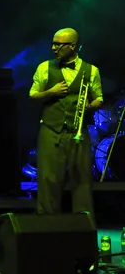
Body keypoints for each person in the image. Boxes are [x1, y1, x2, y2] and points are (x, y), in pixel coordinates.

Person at [29, 27, 103, 216]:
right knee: (48, 181)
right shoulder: (44, 67)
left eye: (58, 44)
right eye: (53, 43)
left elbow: (99, 98)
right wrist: (50, 93)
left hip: (77, 131)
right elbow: (33, 95)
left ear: (72, 46)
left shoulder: (91, 70)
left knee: (82, 181)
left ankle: (83, 230)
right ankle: (47, 229)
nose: (53, 48)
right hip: (51, 130)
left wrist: (90, 106)